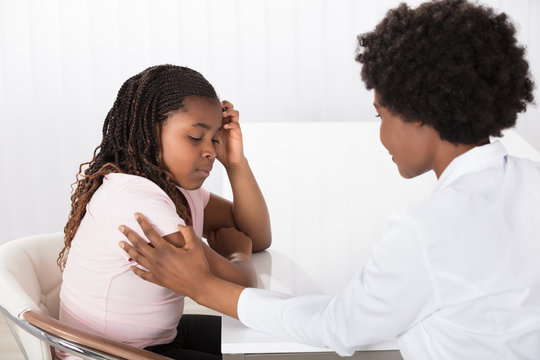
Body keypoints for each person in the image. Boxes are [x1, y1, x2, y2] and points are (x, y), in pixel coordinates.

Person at [119, 0, 540, 359]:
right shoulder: (531, 181)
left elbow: (341, 327)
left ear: (418, 116)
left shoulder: (427, 230)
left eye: (381, 115)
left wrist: (201, 288)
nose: (381, 135)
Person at [57, 64, 271, 360]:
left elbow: (257, 235)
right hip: (112, 354)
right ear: (150, 133)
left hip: (153, 339)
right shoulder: (138, 202)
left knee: (271, 336)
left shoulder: (175, 189)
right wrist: (238, 256)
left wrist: (236, 163)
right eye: (196, 137)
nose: (210, 151)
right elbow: (239, 288)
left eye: (214, 139)